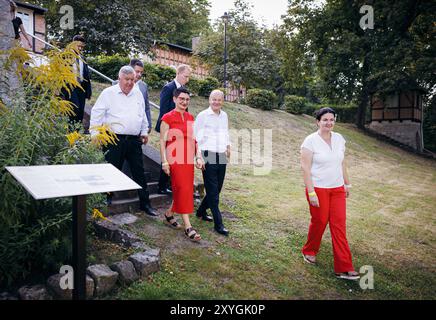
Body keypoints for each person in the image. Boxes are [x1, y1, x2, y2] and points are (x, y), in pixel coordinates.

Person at [300, 107, 359, 280]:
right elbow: (305, 167)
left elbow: (342, 163)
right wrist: (311, 192)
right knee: (319, 221)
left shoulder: (340, 139)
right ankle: (309, 250)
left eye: (331, 119)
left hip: (337, 188)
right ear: (317, 121)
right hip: (318, 188)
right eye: (325, 119)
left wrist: (347, 183)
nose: (329, 123)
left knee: (339, 224)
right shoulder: (310, 141)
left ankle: (344, 267)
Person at [90, 66, 158, 216]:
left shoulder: (137, 93)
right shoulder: (108, 93)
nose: (129, 83)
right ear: (119, 78)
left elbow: (142, 115)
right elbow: (96, 114)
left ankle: (145, 204)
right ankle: (105, 200)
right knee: (110, 170)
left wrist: (144, 131)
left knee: (139, 172)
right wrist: (95, 135)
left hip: (134, 141)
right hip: (114, 139)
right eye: (126, 79)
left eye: (132, 80)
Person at [159, 87, 204, 242]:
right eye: (181, 99)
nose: (184, 102)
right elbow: (162, 142)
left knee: (182, 188)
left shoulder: (191, 117)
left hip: (188, 160)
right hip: (174, 159)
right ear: (174, 99)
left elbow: (195, 140)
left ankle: (169, 214)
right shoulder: (167, 118)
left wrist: (198, 157)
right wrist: (164, 161)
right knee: (184, 189)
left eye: (187, 99)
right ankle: (188, 227)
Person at [194, 90, 231, 236]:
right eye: (213, 99)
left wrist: (228, 146)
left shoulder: (224, 115)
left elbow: (225, 132)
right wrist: (198, 157)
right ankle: (218, 224)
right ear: (209, 100)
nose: (216, 102)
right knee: (214, 192)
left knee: (217, 188)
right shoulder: (203, 116)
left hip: (221, 154)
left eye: (219, 100)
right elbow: (195, 138)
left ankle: (201, 211)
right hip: (207, 154)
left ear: (222, 101)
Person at [155, 64, 192, 194]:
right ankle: (161, 186)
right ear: (179, 73)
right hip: (168, 129)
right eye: (185, 76)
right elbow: (164, 110)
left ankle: (171, 184)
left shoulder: (183, 90)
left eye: (188, 77)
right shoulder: (168, 88)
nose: (187, 79)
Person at [62, 35, 92, 126]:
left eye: (82, 46)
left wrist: (88, 91)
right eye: (78, 45)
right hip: (70, 87)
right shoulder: (65, 55)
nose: (80, 48)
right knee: (74, 108)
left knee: (81, 111)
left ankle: (77, 132)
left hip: (81, 88)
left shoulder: (83, 58)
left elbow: (86, 76)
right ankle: (70, 130)